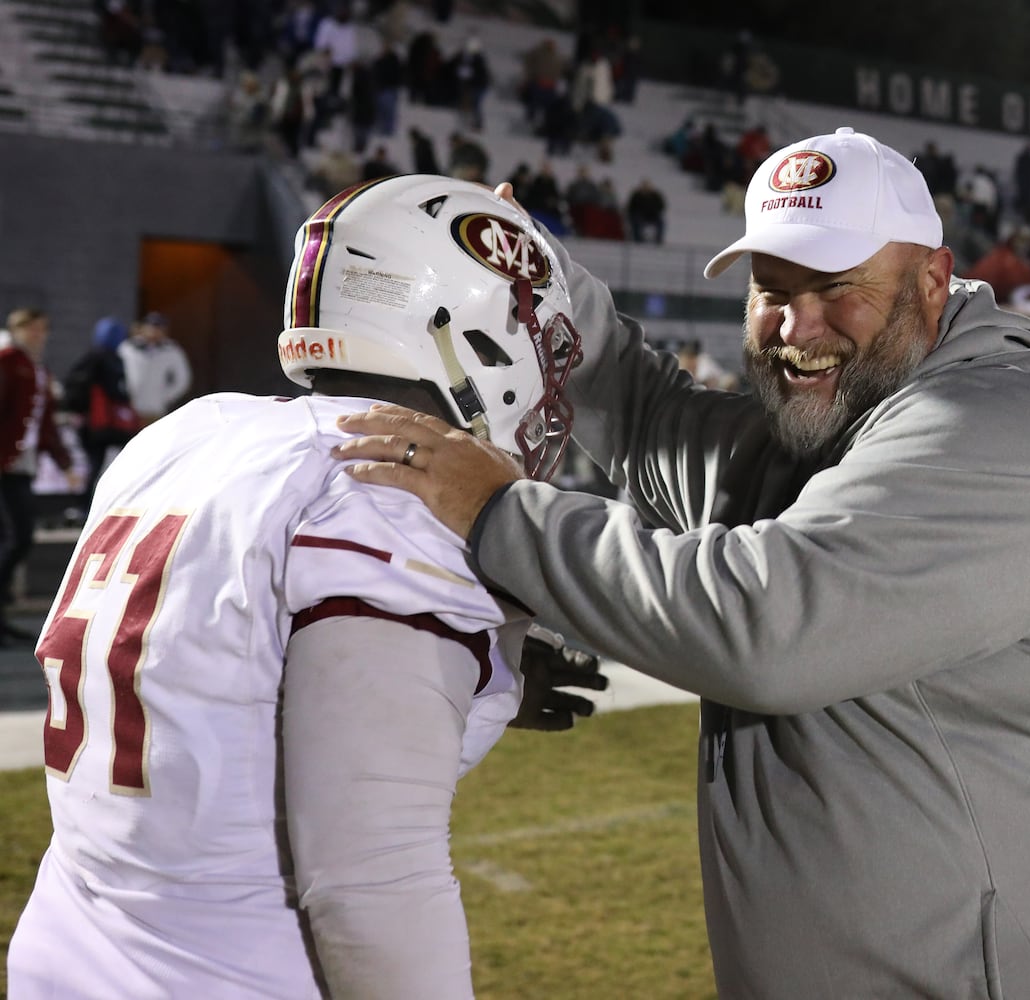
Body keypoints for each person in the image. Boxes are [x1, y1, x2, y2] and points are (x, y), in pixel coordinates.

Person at [336, 127, 1030, 998]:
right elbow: (651, 415)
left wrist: (496, 511)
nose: (798, 327)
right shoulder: (848, 415)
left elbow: (764, 627)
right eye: (774, 292)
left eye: (840, 291)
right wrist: (536, 280)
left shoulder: (1002, 431)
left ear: (932, 282)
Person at [7, 176, 605, 998]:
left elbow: (218, 668)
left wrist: (462, 674)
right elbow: (372, 885)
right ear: (464, 335)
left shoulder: (190, 434)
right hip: (232, 973)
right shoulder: (389, 492)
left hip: (71, 949)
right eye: (531, 336)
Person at [0, 307, 81, 637]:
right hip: (4, 463)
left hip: (21, 465)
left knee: (19, 536)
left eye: (42, 329)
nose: (38, 335)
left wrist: (64, 464)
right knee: (13, 535)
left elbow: (45, 425)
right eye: (31, 329)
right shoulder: (8, 362)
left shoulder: (37, 370)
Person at [62, 316, 141, 505]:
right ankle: (91, 505)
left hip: (97, 423)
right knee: (107, 463)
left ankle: (86, 505)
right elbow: (116, 391)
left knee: (96, 465)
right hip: (103, 422)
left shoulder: (95, 357)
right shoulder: (108, 359)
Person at [120, 311, 193, 424]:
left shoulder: (171, 350)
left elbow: (182, 379)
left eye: (159, 328)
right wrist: (124, 393)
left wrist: (165, 396)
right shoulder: (128, 348)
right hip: (130, 407)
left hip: (155, 409)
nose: (154, 331)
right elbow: (118, 372)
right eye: (151, 326)